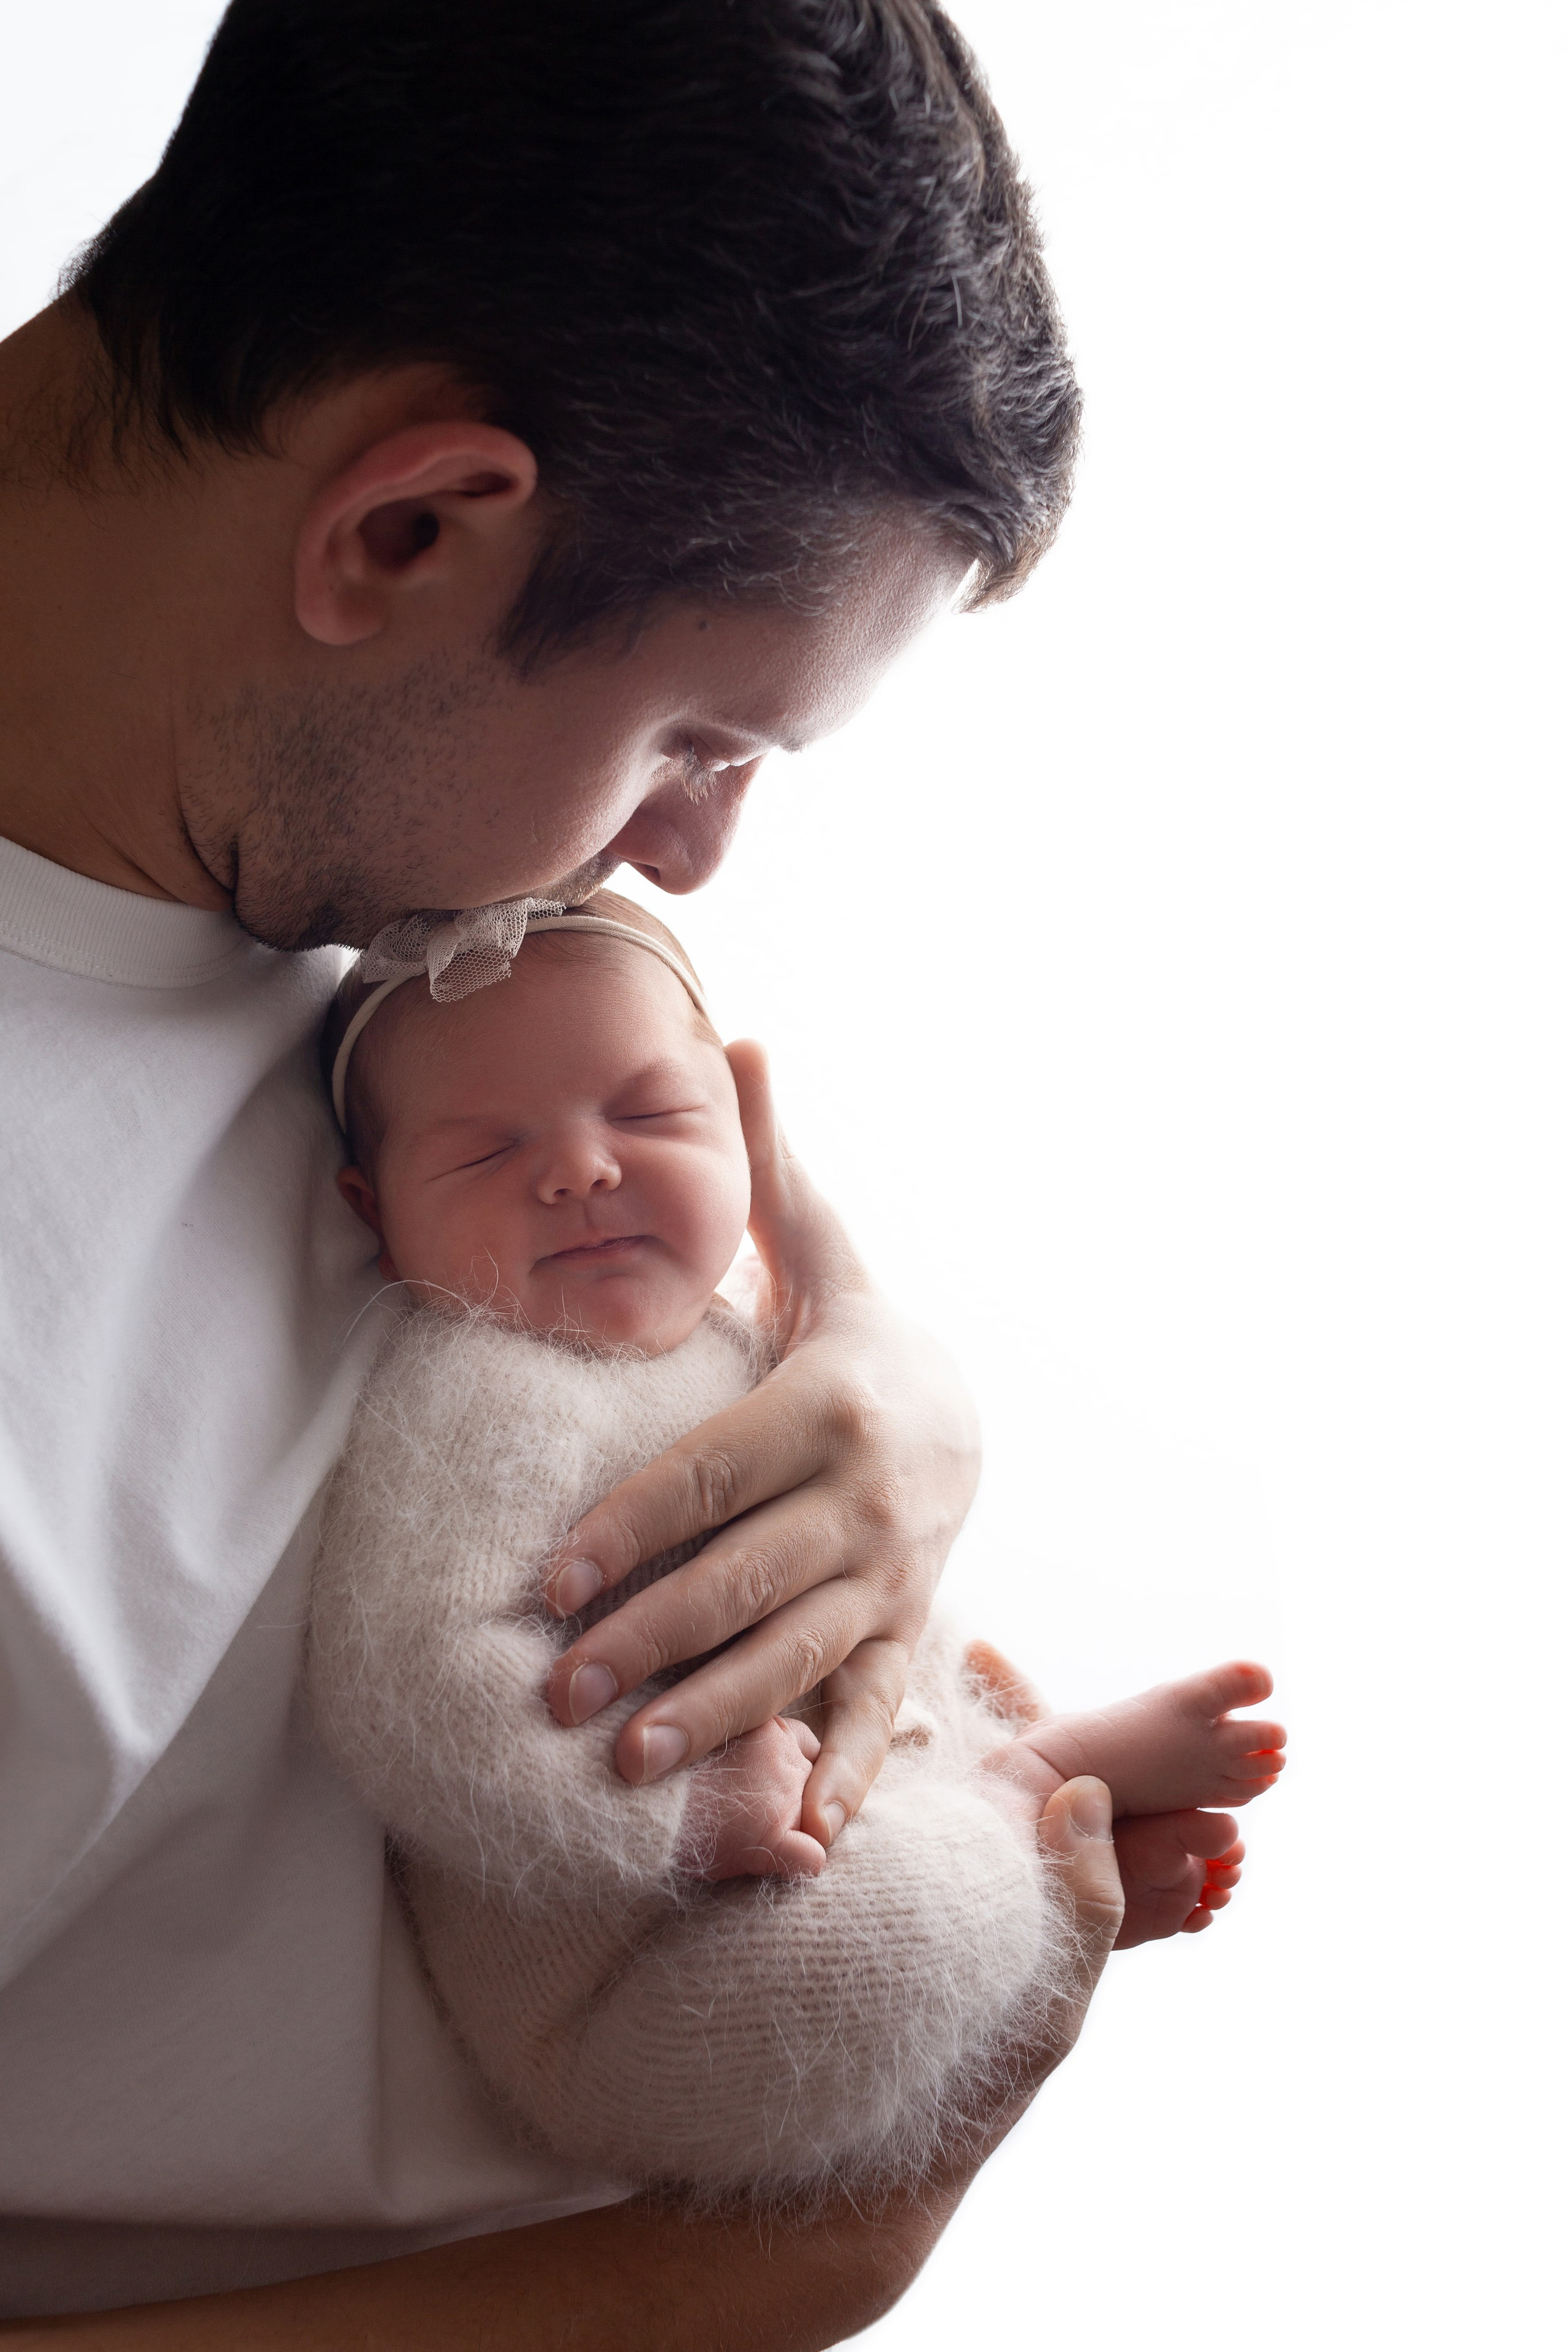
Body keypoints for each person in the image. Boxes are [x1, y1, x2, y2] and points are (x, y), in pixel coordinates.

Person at [0, 1, 1174, 2337]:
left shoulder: (315, 845)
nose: (691, 856)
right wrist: (716, 2288)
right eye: (699, 737)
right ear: (409, 527)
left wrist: (885, 1388)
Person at [307, 889, 1284, 2203]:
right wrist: (682, 1810)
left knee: (894, 1617)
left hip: (839, 1827)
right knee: (891, 1952)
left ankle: (1011, 1805)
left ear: (742, 1131)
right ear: (373, 1212)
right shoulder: (482, 1394)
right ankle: (1028, 1811)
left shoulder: (765, 1336)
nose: (583, 1169)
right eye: (487, 1152)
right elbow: (415, 1685)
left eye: (650, 1115)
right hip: (635, 1986)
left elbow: (870, 1589)